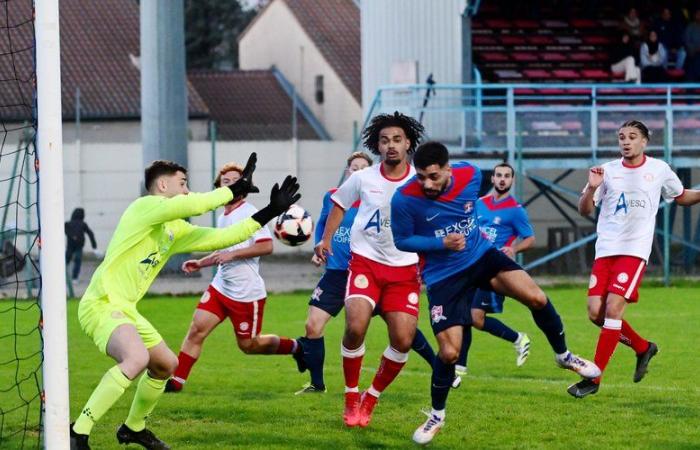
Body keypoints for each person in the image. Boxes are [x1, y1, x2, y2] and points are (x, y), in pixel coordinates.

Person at [69, 154, 300, 450]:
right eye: (183, 184)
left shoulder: (174, 229)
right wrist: (234, 188)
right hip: (100, 303)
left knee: (166, 365)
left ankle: (134, 427)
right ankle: (78, 432)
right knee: (137, 358)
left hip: (126, 309)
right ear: (163, 185)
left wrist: (270, 211)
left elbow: (224, 237)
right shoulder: (144, 207)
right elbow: (197, 204)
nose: (188, 190)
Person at [390, 142, 600, 445]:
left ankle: (564, 356)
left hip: (481, 257)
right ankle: (437, 415)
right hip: (443, 276)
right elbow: (402, 241)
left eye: (433, 176)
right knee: (449, 353)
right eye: (421, 176)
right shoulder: (404, 199)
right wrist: (441, 244)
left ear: (448, 169)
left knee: (537, 297)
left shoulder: (471, 174)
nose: (426, 183)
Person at [569, 120, 700, 398]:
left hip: (634, 251)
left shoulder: (659, 169)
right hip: (605, 251)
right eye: (621, 137)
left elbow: (681, 196)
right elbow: (584, 210)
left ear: (644, 141)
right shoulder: (606, 171)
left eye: (632, 137)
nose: (625, 142)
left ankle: (594, 378)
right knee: (596, 314)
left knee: (614, 309)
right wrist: (592, 188)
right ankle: (642, 347)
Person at [315, 112, 425, 428]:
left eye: (397, 140)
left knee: (403, 339)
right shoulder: (364, 178)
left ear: (408, 144)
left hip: (405, 269)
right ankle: (351, 396)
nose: (390, 146)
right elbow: (338, 204)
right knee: (355, 326)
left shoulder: (419, 182)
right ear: (377, 145)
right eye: (384, 140)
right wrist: (325, 241)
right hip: (365, 262)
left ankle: (371, 397)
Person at [298, 152, 436, 395]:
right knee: (312, 325)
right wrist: (319, 246)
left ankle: (438, 367)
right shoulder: (333, 198)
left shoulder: (380, 200)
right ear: (348, 171)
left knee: (403, 329)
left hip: (370, 272)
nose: (357, 171)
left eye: (363, 167)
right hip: (338, 272)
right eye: (353, 167)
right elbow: (322, 224)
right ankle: (317, 384)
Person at [164, 162, 304, 394]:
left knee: (249, 345)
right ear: (218, 187)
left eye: (235, 181)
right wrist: (201, 262)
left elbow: (266, 246)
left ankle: (298, 348)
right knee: (196, 330)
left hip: (246, 293)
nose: (230, 185)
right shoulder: (222, 217)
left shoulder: (249, 212)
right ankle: (177, 381)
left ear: (244, 187)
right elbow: (223, 251)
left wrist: (233, 254)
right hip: (221, 287)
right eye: (225, 181)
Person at [452, 162, 535, 389]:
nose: (502, 179)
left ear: (512, 180)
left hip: (493, 269)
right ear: (493, 178)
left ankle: (518, 338)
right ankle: (460, 367)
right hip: (471, 264)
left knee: (476, 317)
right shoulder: (479, 205)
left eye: (506, 176)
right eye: (498, 175)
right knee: (463, 314)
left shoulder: (516, 210)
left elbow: (529, 238)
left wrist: (514, 249)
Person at [65, 207, 97, 280]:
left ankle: (61, 275)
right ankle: (74, 277)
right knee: (77, 260)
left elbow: (66, 232)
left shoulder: (68, 223)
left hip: (71, 245)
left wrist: (72, 236)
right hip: (79, 245)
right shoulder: (83, 224)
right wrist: (94, 246)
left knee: (66, 260)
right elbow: (90, 234)